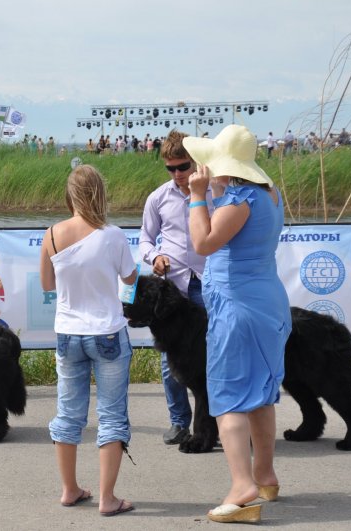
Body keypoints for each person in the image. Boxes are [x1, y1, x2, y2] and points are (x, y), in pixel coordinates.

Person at [183, 125, 291, 524]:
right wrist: (213, 190)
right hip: (266, 304)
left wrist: (196, 196)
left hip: (238, 308)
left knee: (228, 396)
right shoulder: (267, 193)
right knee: (261, 393)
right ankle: (264, 476)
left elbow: (204, 243)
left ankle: (242, 486)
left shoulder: (241, 198)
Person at [39, 164, 138, 517]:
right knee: (111, 415)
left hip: (68, 331)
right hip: (108, 331)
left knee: (68, 414)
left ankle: (70, 489)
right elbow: (130, 276)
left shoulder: (52, 234)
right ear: (101, 193)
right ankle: (107, 498)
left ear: (71, 195)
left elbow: (47, 284)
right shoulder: (113, 235)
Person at [139, 129, 213, 445]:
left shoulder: (216, 191)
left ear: (196, 162)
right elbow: (144, 239)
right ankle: (179, 422)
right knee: (172, 363)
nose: (178, 174)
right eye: (171, 168)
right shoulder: (158, 198)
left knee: (219, 354)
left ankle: (220, 423)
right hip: (175, 289)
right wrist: (155, 256)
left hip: (210, 283)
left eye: (183, 166)